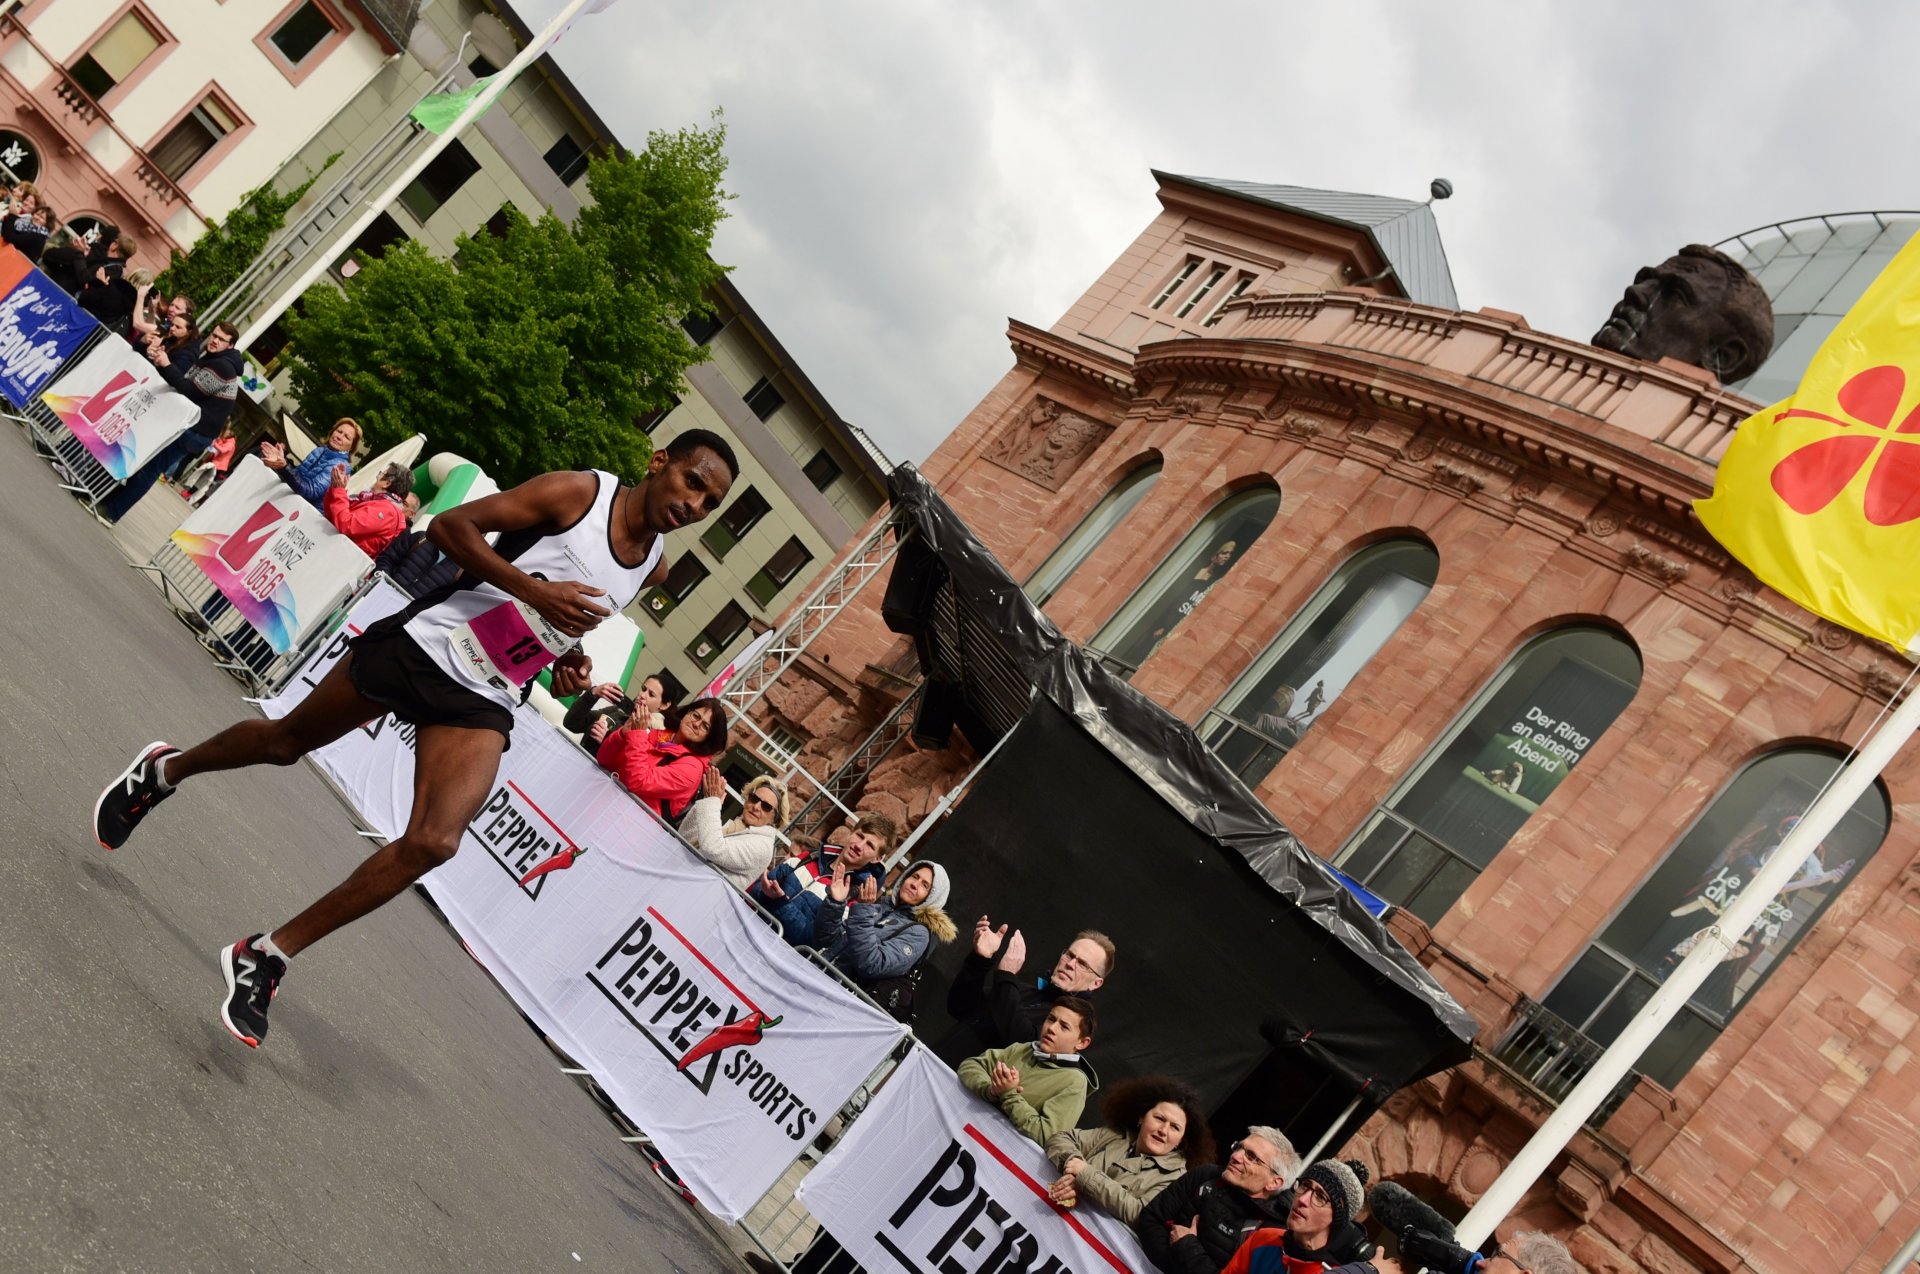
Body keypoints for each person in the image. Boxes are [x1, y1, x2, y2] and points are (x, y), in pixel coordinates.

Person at [91, 430, 740, 1048]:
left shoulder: (654, 567)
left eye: (711, 503)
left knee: (435, 841)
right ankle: (164, 771)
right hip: (426, 643)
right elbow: (451, 528)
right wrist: (534, 594)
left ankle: (266, 955)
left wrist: (562, 659)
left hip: (484, 691)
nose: (695, 504)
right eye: (692, 482)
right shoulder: (577, 493)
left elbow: (560, 621)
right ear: (658, 463)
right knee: (285, 741)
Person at [100, 321, 246, 523]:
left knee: (149, 469)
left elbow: (190, 391)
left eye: (221, 339)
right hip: (191, 427)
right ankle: (109, 505)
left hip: (195, 430)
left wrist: (166, 364)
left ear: (231, 345)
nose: (214, 341)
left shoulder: (223, 366)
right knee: (145, 466)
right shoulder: (215, 360)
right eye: (214, 335)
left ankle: (111, 511)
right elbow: (185, 384)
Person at [1045, 1076, 1218, 1224]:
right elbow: (1060, 1139)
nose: (1163, 1131)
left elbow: (1141, 1214)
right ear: (1141, 1117)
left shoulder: (1176, 1179)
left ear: (1181, 1140)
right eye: (1159, 1118)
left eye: (1175, 1127)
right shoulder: (1115, 1134)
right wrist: (1071, 1164)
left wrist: (1085, 1175)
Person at [941, 920, 1115, 1061]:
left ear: (1096, 983)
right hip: (932, 1068)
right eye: (1069, 955)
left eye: (1083, 964)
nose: (1070, 964)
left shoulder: (1072, 1024)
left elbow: (1026, 1048)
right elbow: (959, 1007)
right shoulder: (1019, 990)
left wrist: (1007, 975)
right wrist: (980, 960)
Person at [1137, 1128, 1299, 1274]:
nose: (1235, 1156)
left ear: (1274, 1182)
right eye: (1238, 1147)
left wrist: (1186, 1247)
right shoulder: (1205, 1176)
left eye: (1251, 1157)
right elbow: (1150, 1219)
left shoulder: (1274, 1235)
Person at [814, 858, 956, 1014]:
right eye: (914, 876)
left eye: (925, 885)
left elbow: (873, 965)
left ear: (932, 898)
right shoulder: (878, 907)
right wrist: (835, 903)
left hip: (837, 1005)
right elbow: (824, 939)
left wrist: (862, 912)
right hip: (817, 979)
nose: (914, 884)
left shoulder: (919, 933)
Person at [957, 997, 1098, 1146]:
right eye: (1051, 1019)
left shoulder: (1075, 1082)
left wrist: (1008, 1094)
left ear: (1082, 1043)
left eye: (1064, 1026)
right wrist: (991, 1090)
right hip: (962, 1131)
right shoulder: (1023, 1048)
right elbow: (969, 1065)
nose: (1052, 1028)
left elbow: (1047, 1137)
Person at [750, 813, 898, 949]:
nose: (859, 846)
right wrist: (768, 895)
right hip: (749, 931)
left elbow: (811, 940)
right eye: (859, 836)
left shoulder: (856, 897)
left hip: (777, 958)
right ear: (851, 832)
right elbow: (756, 891)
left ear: (877, 859)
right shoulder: (810, 856)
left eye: (870, 845)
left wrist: (778, 902)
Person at [1218, 1159, 1373, 1274]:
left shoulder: (1333, 1272)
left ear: (1337, 1219)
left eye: (1320, 1196)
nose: (1303, 1199)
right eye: (1305, 1185)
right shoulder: (1263, 1238)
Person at [594, 697, 729, 821]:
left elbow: (638, 782)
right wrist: (622, 735)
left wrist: (637, 734)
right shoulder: (659, 735)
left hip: (628, 825)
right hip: (605, 805)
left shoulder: (693, 768)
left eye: (705, 726)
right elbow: (604, 760)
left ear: (709, 738)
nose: (696, 724)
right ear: (686, 713)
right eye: (695, 715)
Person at [677, 770, 788, 891]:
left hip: (695, 896)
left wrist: (711, 803)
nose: (756, 807)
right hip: (681, 880)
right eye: (754, 798)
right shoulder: (738, 825)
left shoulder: (763, 847)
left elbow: (712, 848)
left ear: (774, 818)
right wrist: (706, 802)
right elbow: (685, 837)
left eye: (766, 806)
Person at [566, 673, 670, 760]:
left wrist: (608, 742)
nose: (642, 695)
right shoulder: (619, 712)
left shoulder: (658, 739)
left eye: (651, 694)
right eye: (643, 689)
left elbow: (635, 772)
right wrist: (593, 693)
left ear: (664, 705)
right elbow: (572, 723)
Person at [262, 418, 360, 507]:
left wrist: (284, 466)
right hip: (288, 503)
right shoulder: (319, 450)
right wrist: (277, 463)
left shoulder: (342, 466)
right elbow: (295, 477)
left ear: (351, 447)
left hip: (302, 517)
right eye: (339, 431)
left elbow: (310, 492)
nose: (339, 437)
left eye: (346, 437)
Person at [323, 462, 414, 557]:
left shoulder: (388, 511)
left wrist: (339, 490)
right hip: (337, 552)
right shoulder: (375, 501)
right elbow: (333, 515)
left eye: (381, 474)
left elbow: (346, 525)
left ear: (387, 483)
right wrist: (335, 488)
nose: (377, 477)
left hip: (342, 558)